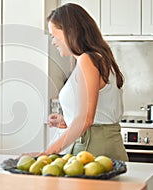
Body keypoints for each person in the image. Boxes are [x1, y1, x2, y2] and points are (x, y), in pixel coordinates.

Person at [44, 3, 128, 161]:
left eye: (54, 35)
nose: (53, 42)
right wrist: (68, 120)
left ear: (70, 31)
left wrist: (47, 153)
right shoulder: (97, 58)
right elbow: (94, 115)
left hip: (93, 147)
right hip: (100, 144)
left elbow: (86, 119)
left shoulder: (88, 59)